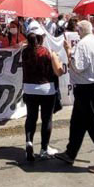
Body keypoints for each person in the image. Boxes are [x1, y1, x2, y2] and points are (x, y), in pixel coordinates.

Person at [54, 20, 94, 174]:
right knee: (77, 123)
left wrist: (68, 52)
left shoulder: (82, 45)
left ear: (80, 30)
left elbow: (78, 67)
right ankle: (70, 153)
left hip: (88, 89)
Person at [21, 25, 64, 162]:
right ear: (41, 38)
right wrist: (58, 60)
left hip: (29, 88)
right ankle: (44, 149)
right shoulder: (47, 52)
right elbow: (59, 71)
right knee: (46, 119)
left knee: (31, 117)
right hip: (46, 89)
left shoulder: (24, 52)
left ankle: (29, 142)